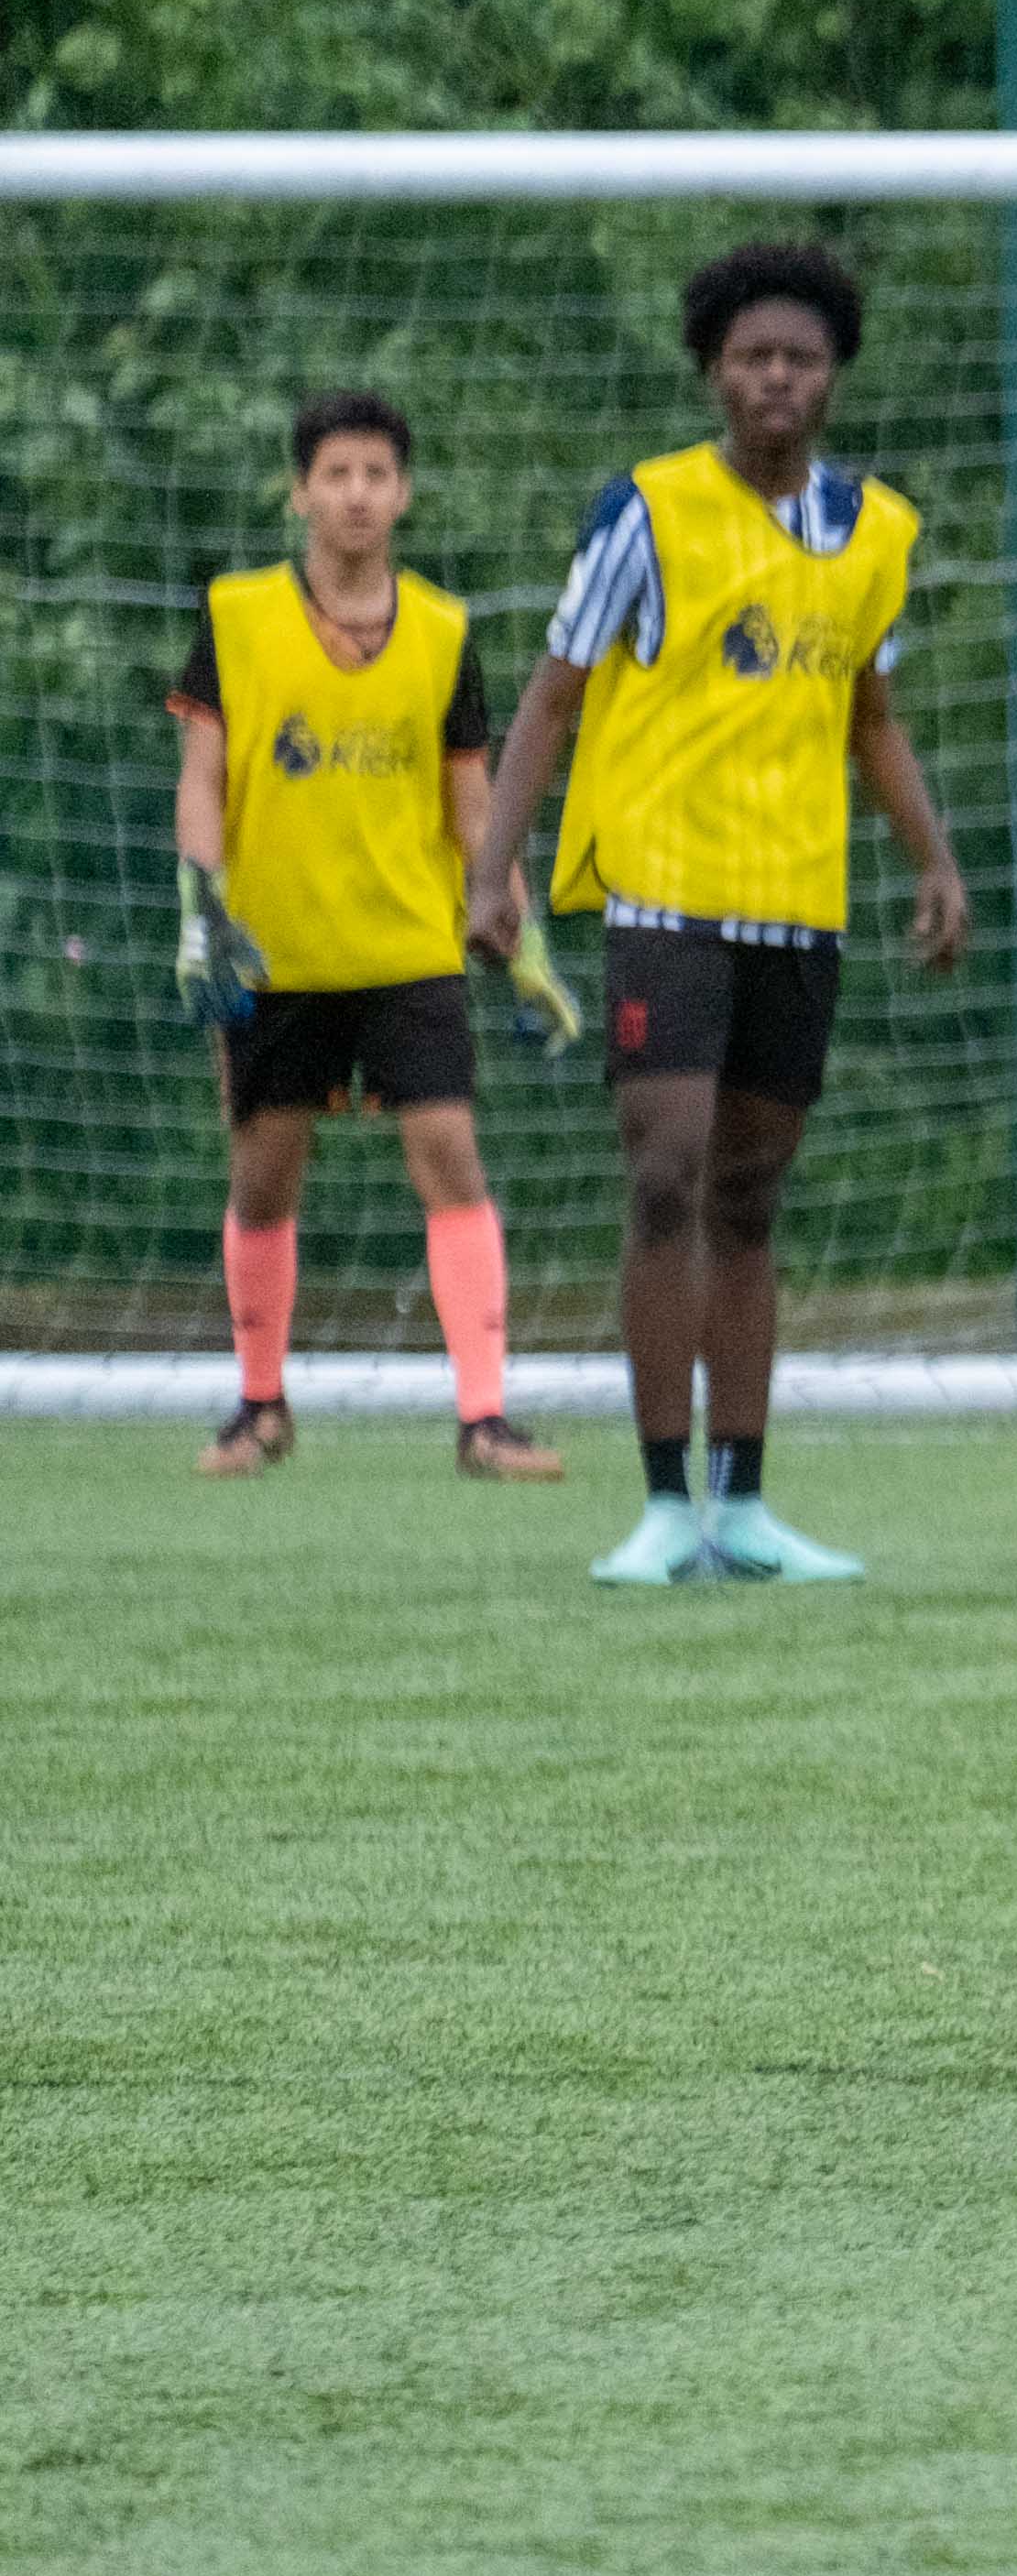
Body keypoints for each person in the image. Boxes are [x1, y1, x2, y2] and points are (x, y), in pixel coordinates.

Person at [465, 241, 969, 1586]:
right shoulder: (647, 512)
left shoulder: (877, 534)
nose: (777, 381)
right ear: (712, 370)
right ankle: (657, 1502)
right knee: (665, 1173)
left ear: (833, 379)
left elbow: (872, 716)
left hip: (798, 900)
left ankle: (744, 1507)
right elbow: (552, 697)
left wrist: (935, 860)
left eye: (800, 359)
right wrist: (489, 869)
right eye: (753, 358)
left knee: (751, 1197)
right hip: (665, 893)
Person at [167, 390, 574, 1485]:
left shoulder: (443, 629)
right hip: (277, 951)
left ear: (404, 493)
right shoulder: (238, 614)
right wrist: (201, 907)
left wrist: (521, 938)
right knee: (264, 1179)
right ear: (300, 491)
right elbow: (202, 781)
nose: (356, 493)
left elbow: (473, 806)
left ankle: (484, 1420)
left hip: (409, 949)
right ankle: (260, 1405)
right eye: (335, 473)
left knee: (450, 1153)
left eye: (376, 474)